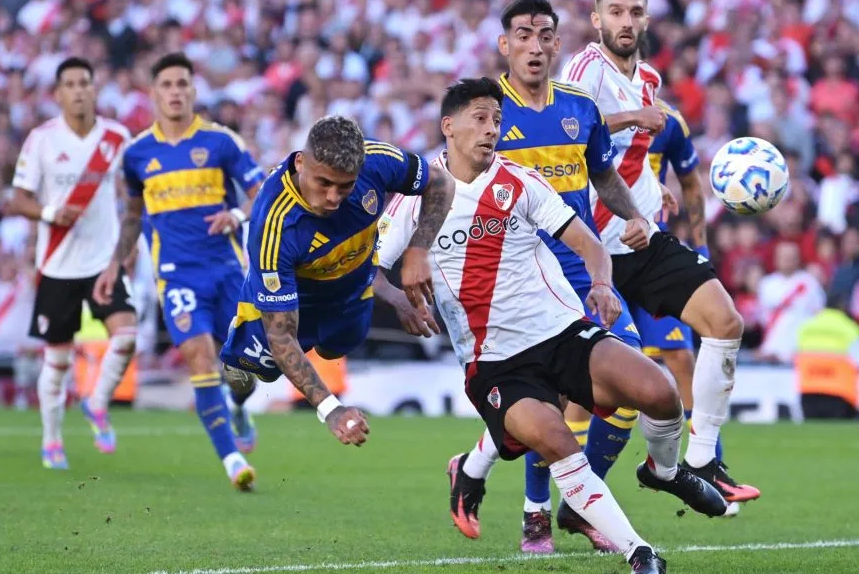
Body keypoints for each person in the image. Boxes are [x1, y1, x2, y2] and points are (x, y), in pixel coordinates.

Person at [378, 77, 731, 574]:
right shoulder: (417, 197)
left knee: (660, 391)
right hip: (495, 363)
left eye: (497, 120)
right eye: (480, 119)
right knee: (558, 441)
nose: (492, 129)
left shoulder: (520, 181)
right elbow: (369, 269)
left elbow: (589, 243)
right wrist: (399, 300)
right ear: (448, 126)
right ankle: (639, 551)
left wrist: (602, 284)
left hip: (562, 334)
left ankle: (664, 471)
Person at [561, 0, 756, 501]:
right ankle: (497, 474)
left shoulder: (649, 77)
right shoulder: (585, 67)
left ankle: (703, 457)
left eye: (635, 12)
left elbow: (630, 158)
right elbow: (569, 128)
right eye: (616, 11)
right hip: (592, 252)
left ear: (646, 19)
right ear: (597, 19)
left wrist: (653, 190)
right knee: (583, 391)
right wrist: (633, 116)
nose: (626, 21)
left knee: (725, 322)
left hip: (643, 237)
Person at [218, 115, 455, 447]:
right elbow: (281, 335)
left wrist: (416, 254)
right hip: (294, 302)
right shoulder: (274, 226)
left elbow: (442, 182)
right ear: (300, 163)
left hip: (350, 295)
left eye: (345, 186)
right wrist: (331, 410)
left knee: (333, 351)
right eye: (323, 183)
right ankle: (237, 406)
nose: (333, 197)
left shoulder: (377, 161)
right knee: (243, 374)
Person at [93, 52, 265, 490]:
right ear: (154, 93)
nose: (175, 92)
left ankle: (239, 406)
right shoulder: (137, 155)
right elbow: (133, 217)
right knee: (198, 356)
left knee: (243, 369)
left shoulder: (221, 142)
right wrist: (114, 264)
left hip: (227, 271)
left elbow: (261, 194)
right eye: (166, 84)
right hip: (176, 276)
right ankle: (232, 461)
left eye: (182, 84)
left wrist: (236, 215)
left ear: (193, 90)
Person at [6, 57, 136, 469]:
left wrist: (128, 244)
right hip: (58, 264)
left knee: (127, 337)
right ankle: (51, 440)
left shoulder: (116, 137)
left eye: (85, 83)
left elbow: (133, 196)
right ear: (58, 94)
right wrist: (49, 213)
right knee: (57, 361)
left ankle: (97, 403)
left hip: (103, 263)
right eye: (71, 84)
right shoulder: (41, 140)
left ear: (94, 89)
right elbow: (18, 199)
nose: (79, 90)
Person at [631, 96, 757, 498]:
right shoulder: (589, 107)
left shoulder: (668, 122)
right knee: (593, 385)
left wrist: (700, 248)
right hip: (598, 253)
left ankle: (707, 467)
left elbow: (689, 182)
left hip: (649, 249)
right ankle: (545, 497)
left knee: (685, 355)